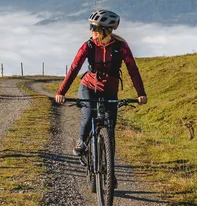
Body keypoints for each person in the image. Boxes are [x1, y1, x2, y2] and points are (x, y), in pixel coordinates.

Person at [55, 9, 148, 156]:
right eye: (91, 27)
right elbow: (74, 67)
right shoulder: (89, 46)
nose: (92, 31)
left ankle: (110, 174)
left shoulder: (121, 47)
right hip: (89, 86)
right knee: (89, 114)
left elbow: (133, 69)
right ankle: (82, 141)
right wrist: (61, 92)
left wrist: (141, 93)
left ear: (106, 30)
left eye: (95, 28)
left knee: (110, 129)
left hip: (110, 89)